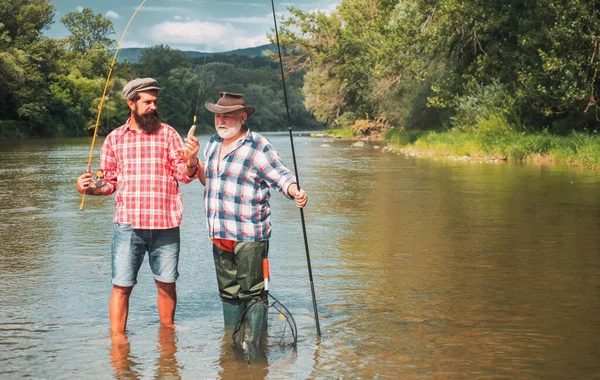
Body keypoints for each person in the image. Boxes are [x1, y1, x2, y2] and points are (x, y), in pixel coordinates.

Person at [76, 78, 200, 334]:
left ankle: (167, 338)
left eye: (155, 101)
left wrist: (192, 160)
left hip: (166, 223)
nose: (153, 106)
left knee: (167, 284)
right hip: (128, 225)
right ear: (131, 103)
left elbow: (184, 176)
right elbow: (107, 184)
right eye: (147, 101)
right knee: (121, 285)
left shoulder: (168, 134)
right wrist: (86, 187)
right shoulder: (114, 139)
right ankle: (118, 341)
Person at [195, 92, 307, 328]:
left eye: (228, 116)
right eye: (217, 116)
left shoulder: (258, 145)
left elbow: (280, 175)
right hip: (219, 232)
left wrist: (295, 190)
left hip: (249, 234)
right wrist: (193, 162)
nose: (221, 121)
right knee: (228, 292)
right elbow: (209, 180)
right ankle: (232, 344)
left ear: (243, 117)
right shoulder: (213, 143)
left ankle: (256, 347)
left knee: (253, 293)